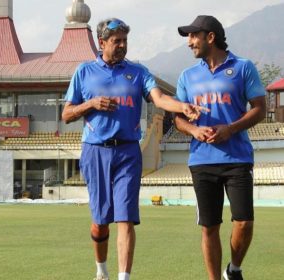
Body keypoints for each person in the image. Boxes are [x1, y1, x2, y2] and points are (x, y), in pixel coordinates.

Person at [62, 18, 205, 280]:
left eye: (125, 41)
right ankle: (101, 270)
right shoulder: (84, 72)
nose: (122, 45)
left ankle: (124, 277)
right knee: (100, 223)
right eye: (117, 41)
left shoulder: (138, 72)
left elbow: (159, 98)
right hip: (95, 152)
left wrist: (182, 106)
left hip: (128, 151)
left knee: (126, 218)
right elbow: (67, 114)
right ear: (102, 43)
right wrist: (91, 103)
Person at [174, 15, 266, 280]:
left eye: (193, 36)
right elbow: (178, 118)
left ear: (210, 37)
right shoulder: (187, 76)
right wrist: (193, 130)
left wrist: (230, 129)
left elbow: (261, 109)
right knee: (209, 227)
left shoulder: (243, 67)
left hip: (238, 157)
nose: (190, 42)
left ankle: (233, 269)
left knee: (245, 222)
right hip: (201, 160)